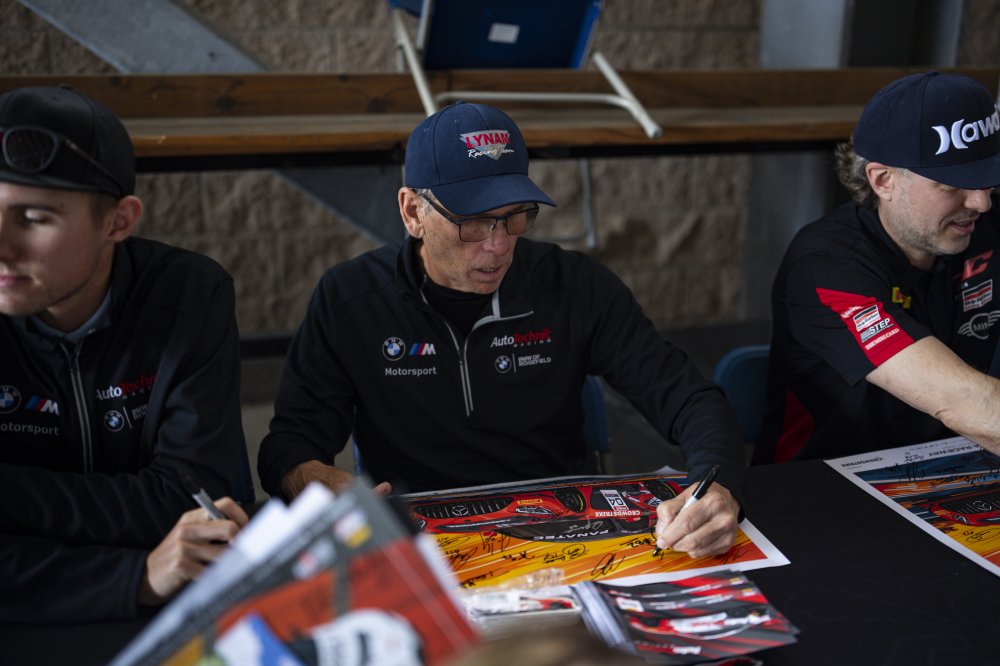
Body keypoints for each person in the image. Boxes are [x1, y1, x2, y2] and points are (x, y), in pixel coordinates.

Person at [259, 101, 745, 558]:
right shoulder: (350, 301)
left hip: (562, 530)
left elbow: (690, 399)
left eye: (514, 217)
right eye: (473, 223)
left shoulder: (575, 286)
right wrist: (312, 477)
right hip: (419, 541)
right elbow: (288, 444)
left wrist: (716, 486)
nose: (498, 246)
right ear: (412, 212)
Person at [0, 85, 250, 622]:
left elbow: (191, 500)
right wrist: (135, 576)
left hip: (180, 600)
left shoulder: (190, 295)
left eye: (34, 218)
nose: (3, 246)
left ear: (118, 221)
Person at [755, 71, 1000, 464]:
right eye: (953, 185)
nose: (981, 203)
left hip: (949, 469)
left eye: (987, 178)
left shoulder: (984, 224)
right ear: (884, 180)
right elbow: (965, 403)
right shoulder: (825, 266)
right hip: (819, 484)